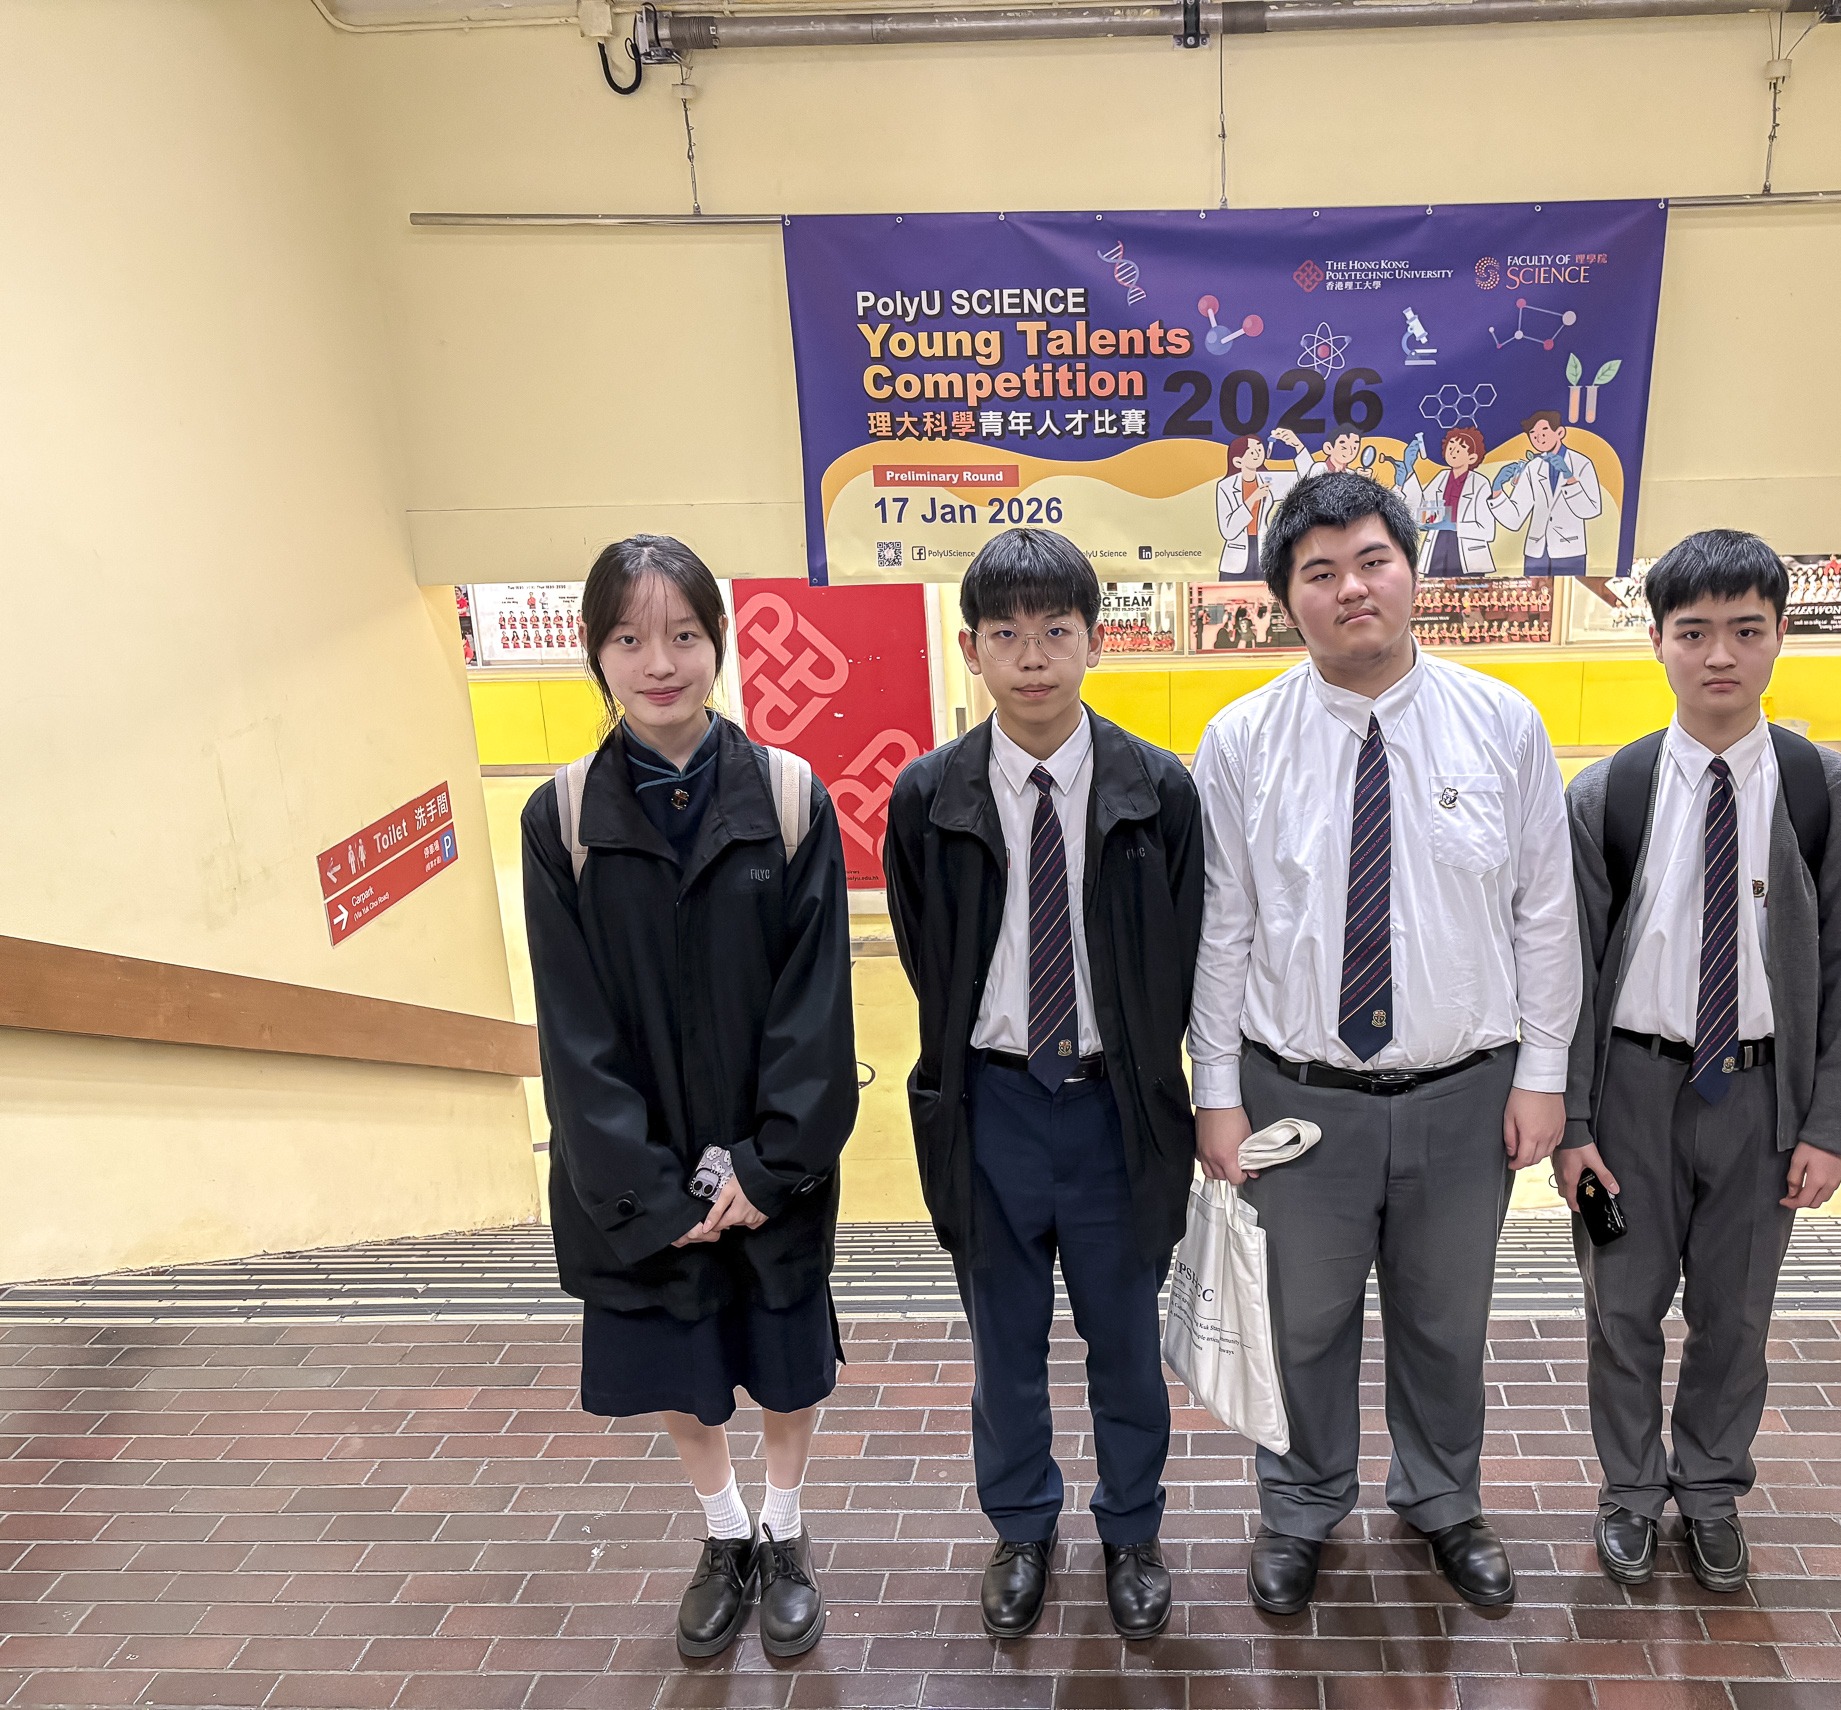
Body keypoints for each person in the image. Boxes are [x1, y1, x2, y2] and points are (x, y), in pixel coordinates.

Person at [1188, 472, 1583, 1616]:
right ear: (1285, 600)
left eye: (1373, 560)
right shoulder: (1241, 741)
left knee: (1446, 1323)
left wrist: (1543, 1076)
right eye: (1320, 572)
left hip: (1466, 1093)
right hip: (1295, 1096)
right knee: (1298, 1325)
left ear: (1413, 570)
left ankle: (1443, 1498)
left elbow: (1544, 915)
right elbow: (1223, 929)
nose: (1352, 588)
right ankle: (1300, 1505)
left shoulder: (1502, 723)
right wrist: (1216, 1092)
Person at [522, 535, 858, 1663]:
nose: (658, 662)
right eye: (629, 638)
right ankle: (723, 1534)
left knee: (784, 1353)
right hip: (644, 1173)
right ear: (595, 653)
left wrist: (770, 1167)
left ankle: (786, 1529)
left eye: (682, 635)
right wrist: (650, 1192)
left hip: (768, 1163)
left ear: (719, 643)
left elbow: (817, 1006)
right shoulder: (562, 818)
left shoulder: (790, 798)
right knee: (680, 1358)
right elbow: (571, 1028)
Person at [884, 528, 1205, 1642]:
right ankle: (1022, 1528)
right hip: (993, 1105)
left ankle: (1132, 1530)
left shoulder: (1157, 789)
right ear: (970, 647)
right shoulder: (929, 796)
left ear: (1094, 641)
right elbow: (927, 954)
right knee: (1004, 1347)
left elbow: (1186, 950)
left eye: (1056, 630)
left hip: (1118, 1110)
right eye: (1007, 633)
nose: (1033, 657)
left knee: (1126, 1345)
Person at [1559, 528, 1841, 1593]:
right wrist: (1572, 1124)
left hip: (1759, 1096)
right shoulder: (1606, 795)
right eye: (1693, 631)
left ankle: (1708, 1489)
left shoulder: (1829, 795)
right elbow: (1567, 976)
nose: (1720, 656)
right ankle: (1628, 1489)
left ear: (1781, 635)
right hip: (1631, 1090)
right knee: (1621, 1310)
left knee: (1735, 1317)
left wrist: (1831, 1126)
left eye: (1747, 630)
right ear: (1655, 640)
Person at [1491, 410, 1618, 606]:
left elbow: (1591, 510)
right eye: (1533, 434)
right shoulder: (1533, 467)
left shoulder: (1581, 463)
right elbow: (1515, 517)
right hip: (1536, 551)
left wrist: (1570, 478)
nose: (1538, 438)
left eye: (1543, 431)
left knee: (1572, 603)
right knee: (1536, 605)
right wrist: (1497, 490)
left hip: (1570, 550)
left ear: (1560, 432)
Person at [1394, 426, 1501, 577]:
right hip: (1437, 546)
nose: (1452, 452)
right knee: (1434, 586)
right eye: (1450, 447)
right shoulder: (1441, 477)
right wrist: (1410, 471)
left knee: (1469, 588)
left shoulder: (1480, 483)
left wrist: (1454, 525)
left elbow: (1487, 530)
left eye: (1459, 450)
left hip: (1467, 552)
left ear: (1472, 458)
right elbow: (1420, 508)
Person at [1216, 427, 1318, 579]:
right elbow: (1228, 531)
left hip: (1263, 554)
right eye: (1252, 452)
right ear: (1238, 461)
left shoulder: (1268, 480)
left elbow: (1309, 480)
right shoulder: (1226, 486)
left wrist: (1297, 445)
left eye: (1259, 449)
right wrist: (1252, 499)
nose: (1258, 454)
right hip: (1235, 561)